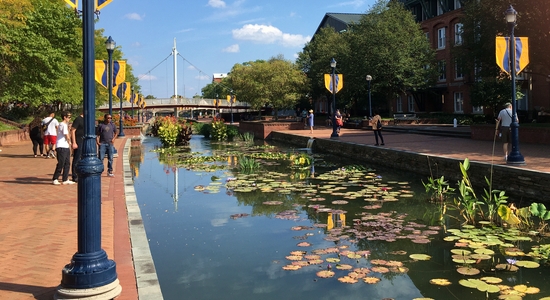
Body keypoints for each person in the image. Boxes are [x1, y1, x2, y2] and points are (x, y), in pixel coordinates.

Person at [52, 111, 75, 185]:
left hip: (65, 146)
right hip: (61, 146)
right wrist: (70, 142)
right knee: (61, 163)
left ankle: (65, 179)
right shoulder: (63, 124)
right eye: (68, 117)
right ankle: (55, 178)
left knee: (67, 163)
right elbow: (66, 135)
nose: (69, 118)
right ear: (64, 117)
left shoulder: (64, 125)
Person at [70, 112, 84, 182]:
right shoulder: (78, 119)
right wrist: (74, 142)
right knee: (77, 158)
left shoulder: (86, 119)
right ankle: (74, 175)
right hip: (78, 141)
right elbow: (72, 130)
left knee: (83, 158)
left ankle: (81, 173)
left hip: (84, 141)